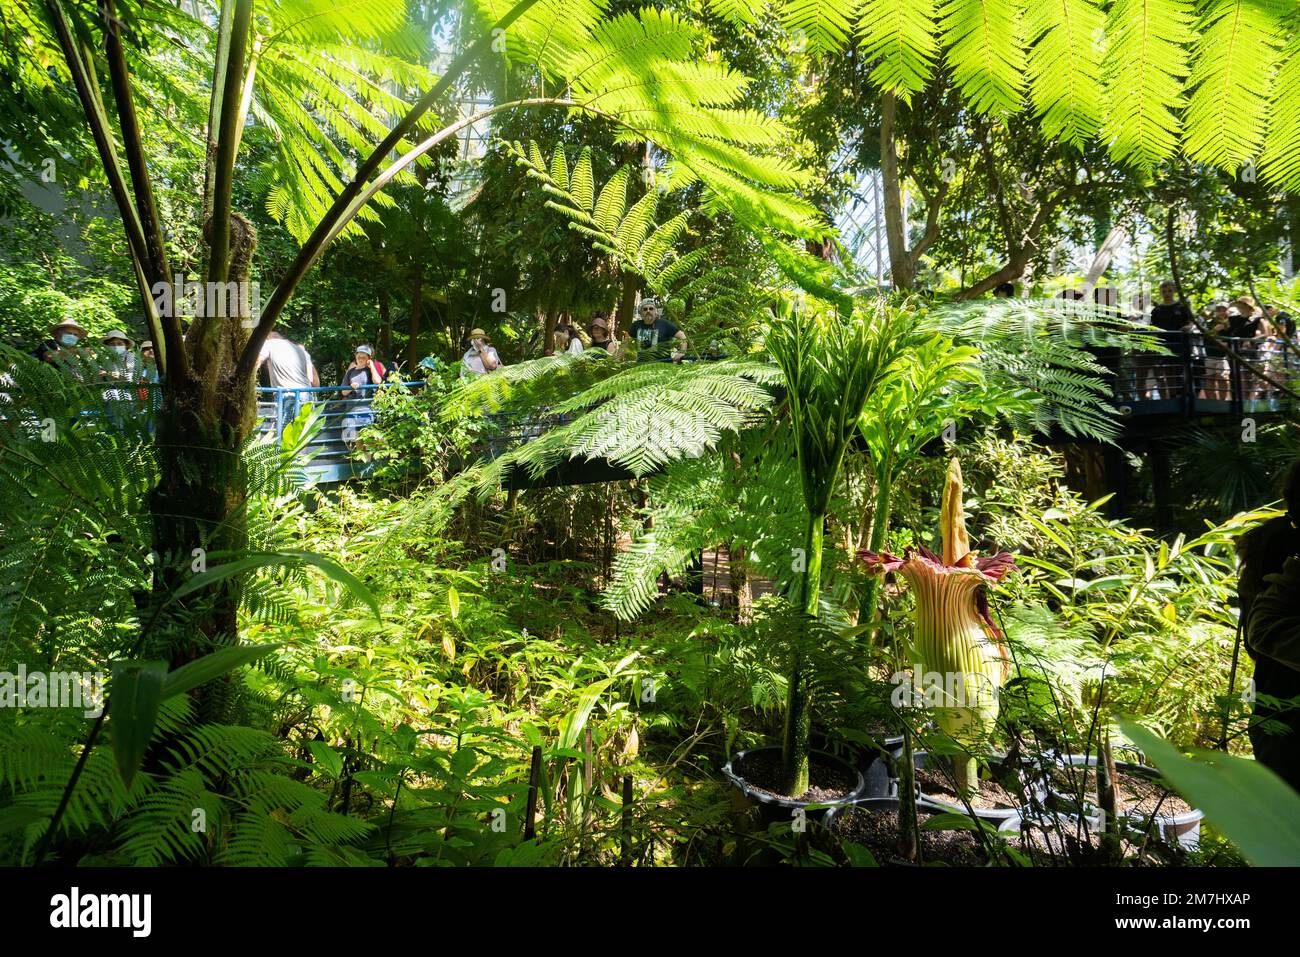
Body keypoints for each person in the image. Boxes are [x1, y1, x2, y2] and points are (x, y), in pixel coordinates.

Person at [1238, 461, 1300, 791]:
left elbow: (1253, 640)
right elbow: (1261, 631)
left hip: (1274, 717)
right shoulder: (1282, 553)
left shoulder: (1269, 544)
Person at [257, 330, 318, 427]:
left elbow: (256, 363)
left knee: (283, 433)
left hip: (287, 395)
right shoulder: (298, 349)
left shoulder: (269, 344)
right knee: (302, 433)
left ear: (267, 337)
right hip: (306, 394)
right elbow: (314, 382)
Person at [632, 298, 685, 362]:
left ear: (655, 311)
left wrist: (681, 352)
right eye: (645, 309)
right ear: (641, 312)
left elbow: (682, 336)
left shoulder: (664, 324)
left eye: (651, 309)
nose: (648, 311)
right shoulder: (636, 325)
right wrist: (618, 359)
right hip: (640, 366)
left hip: (663, 367)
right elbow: (626, 343)